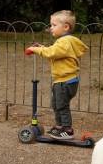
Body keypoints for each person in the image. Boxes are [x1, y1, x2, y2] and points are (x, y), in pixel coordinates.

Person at [25, 10, 88, 140]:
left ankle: (67, 130)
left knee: (61, 106)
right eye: (51, 25)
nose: (50, 28)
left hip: (65, 82)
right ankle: (60, 127)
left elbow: (51, 53)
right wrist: (42, 47)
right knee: (56, 104)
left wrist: (35, 49)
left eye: (53, 25)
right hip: (63, 81)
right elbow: (55, 55)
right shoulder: (64, 42)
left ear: (65, 27)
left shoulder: (65, 41)